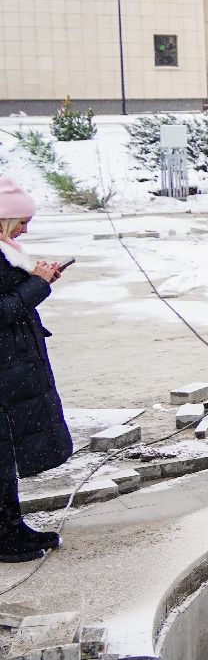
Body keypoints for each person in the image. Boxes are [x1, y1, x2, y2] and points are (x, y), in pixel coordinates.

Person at [0, 177, 73, 563]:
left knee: (6, 452)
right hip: (4, 368)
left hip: (12, 366)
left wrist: (36, 279)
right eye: (22, 221)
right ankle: (4, 536)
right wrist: (37, 285)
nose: (26, 229)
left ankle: (12, 527)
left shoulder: (5, 250)